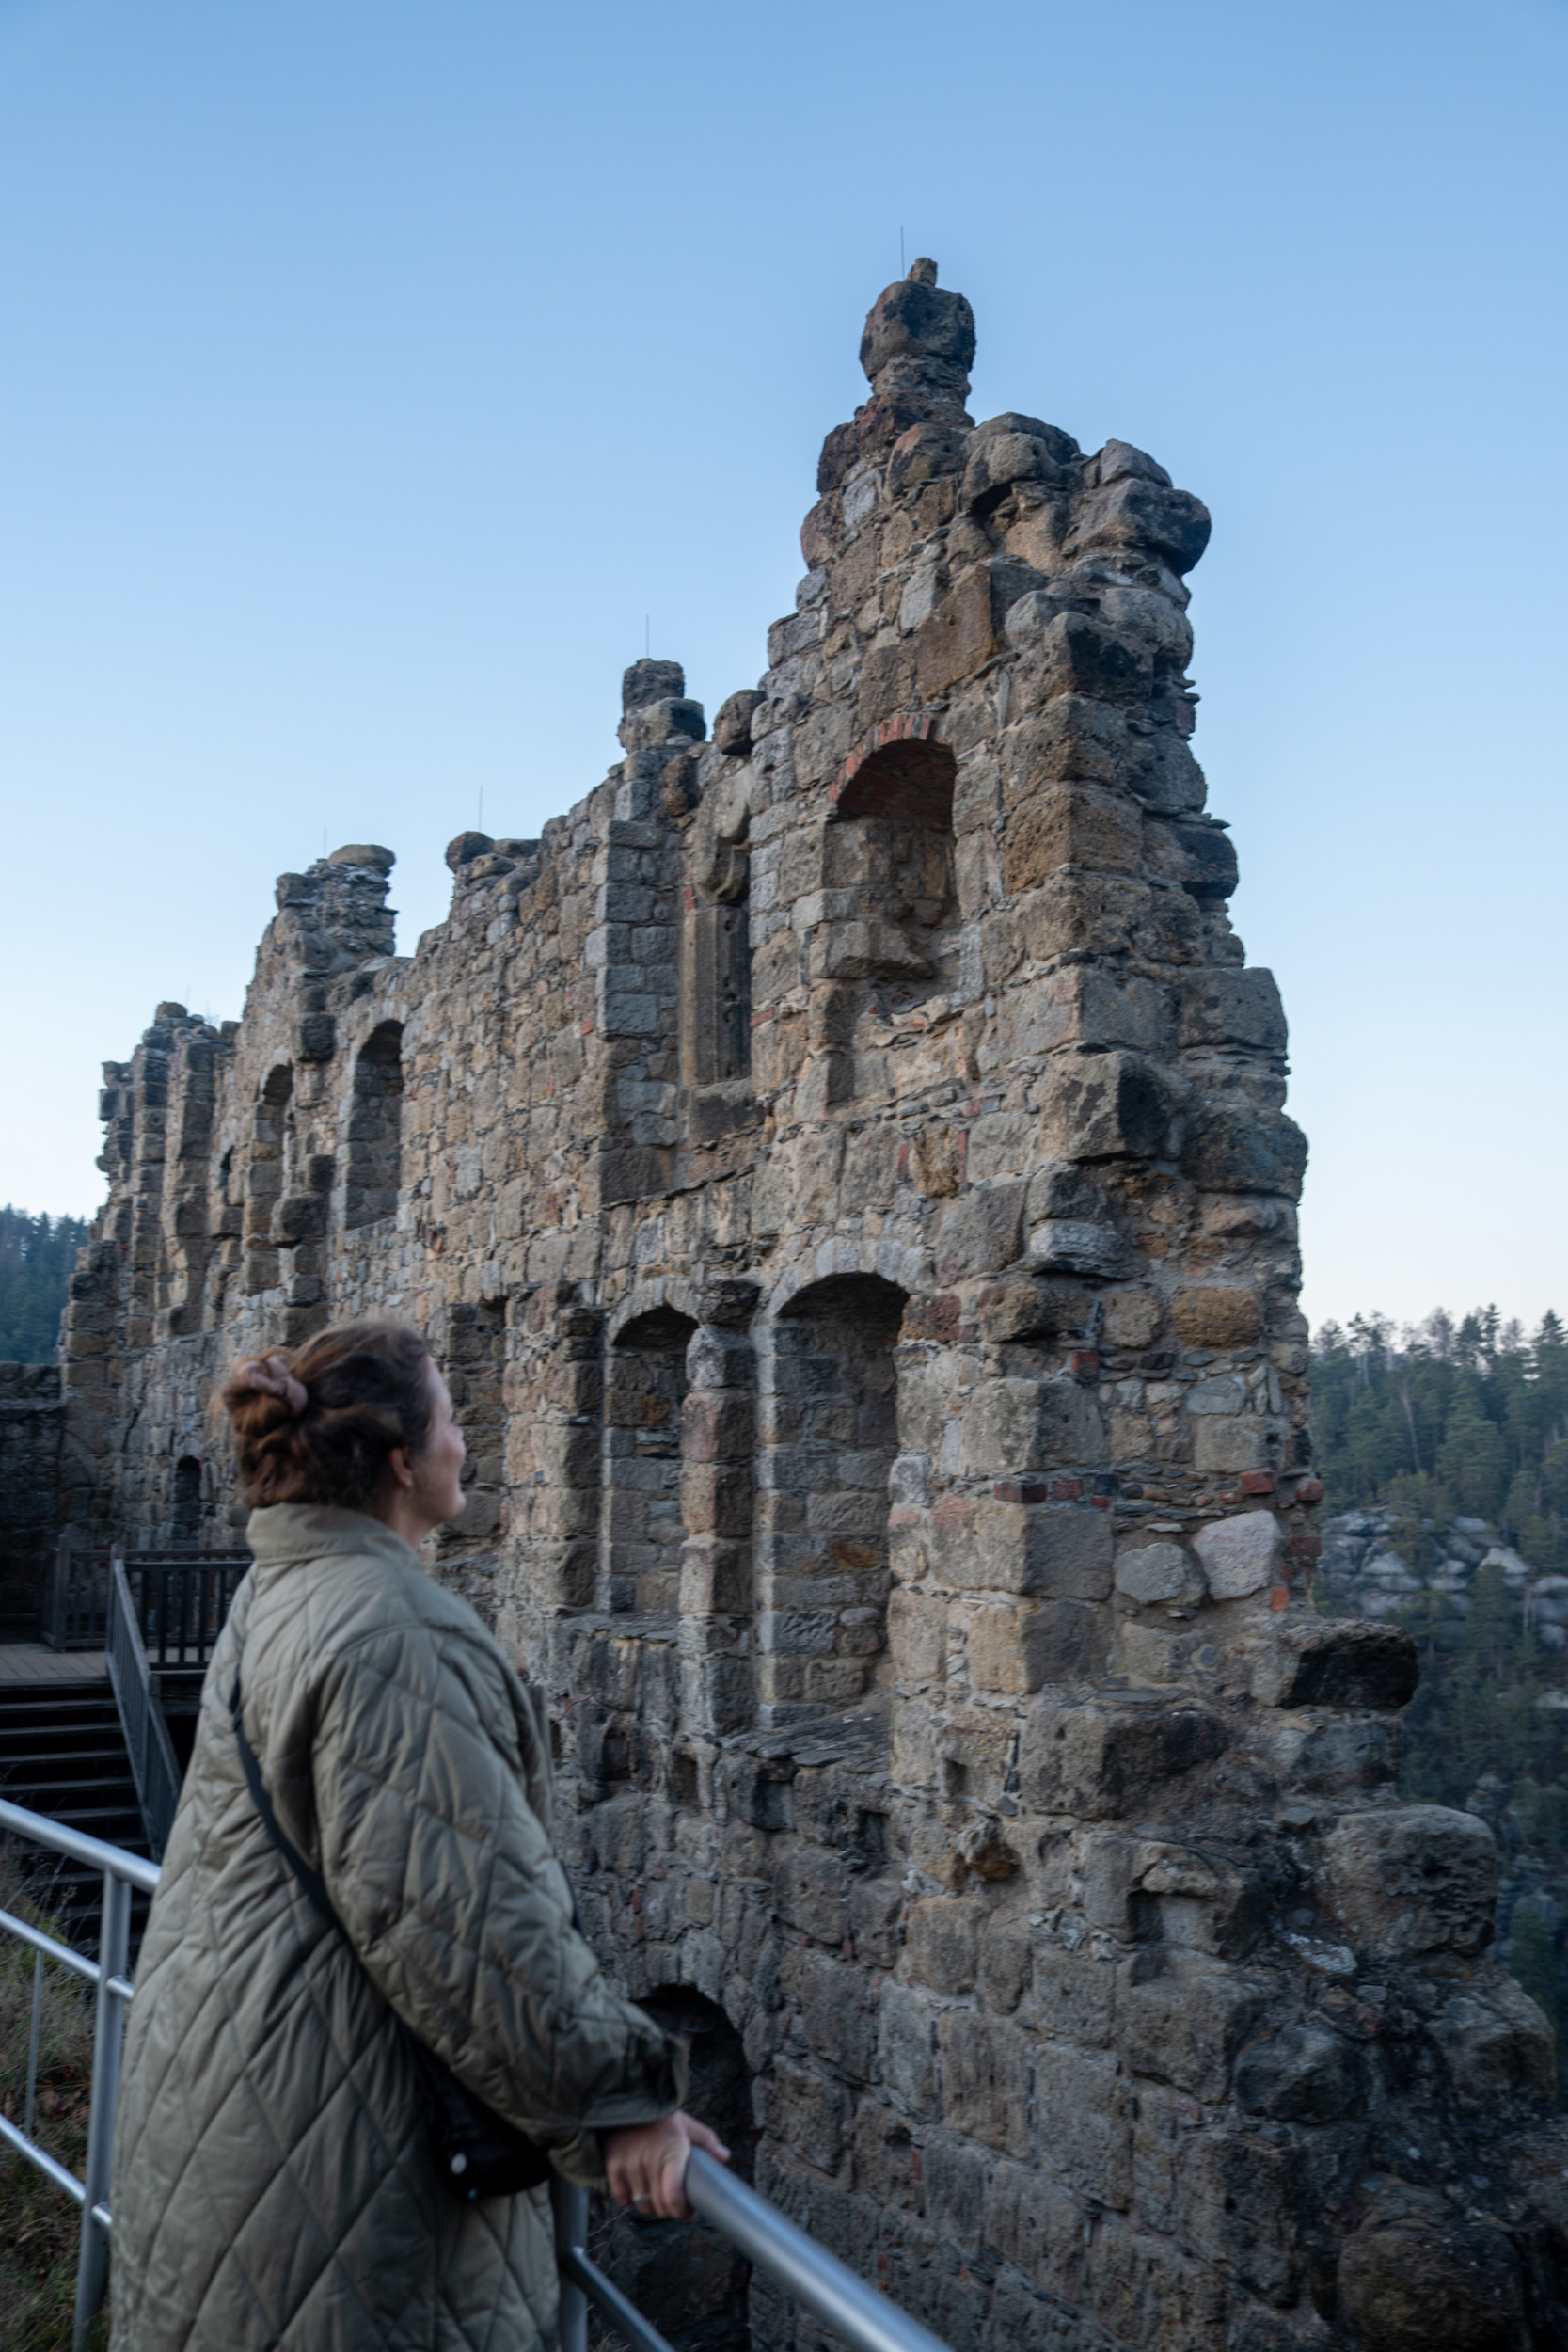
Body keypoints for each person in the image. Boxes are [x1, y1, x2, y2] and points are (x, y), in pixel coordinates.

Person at [110, 1318, 727, 2352]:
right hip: (336, 2187)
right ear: (402, 1461)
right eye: (452, 1416)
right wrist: (620, 2095)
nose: (466, 1439)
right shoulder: (390, 1629)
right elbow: (472, 1923)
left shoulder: (287, 1587)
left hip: (241, 2123)